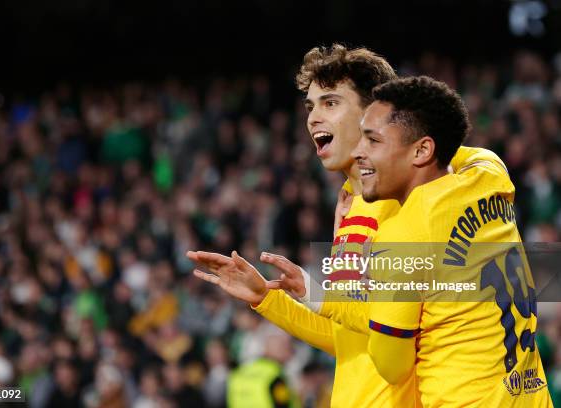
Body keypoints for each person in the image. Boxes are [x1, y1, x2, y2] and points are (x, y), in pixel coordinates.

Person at [238, 76, 553, 406]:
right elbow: (453, 149)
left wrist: (319, 292)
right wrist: (281, 296)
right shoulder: (488, 171)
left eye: (372, 139)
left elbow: (390, 364)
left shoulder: (401, 232)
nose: (360, 151)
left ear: (422, 149)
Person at [190, 44, 421, 407]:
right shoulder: (351, 208)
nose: (313, 118)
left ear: (374, 114)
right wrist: (267, 299)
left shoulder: (404, 203)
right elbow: (348, 337)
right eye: (311, 106)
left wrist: (319, 294)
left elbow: (399, 346)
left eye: (330, 103)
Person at [227, 327, 300, 408]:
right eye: (288, 348)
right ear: (278, 349)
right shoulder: (275, 376)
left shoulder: (239, 372)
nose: (291, 354)